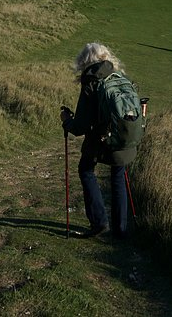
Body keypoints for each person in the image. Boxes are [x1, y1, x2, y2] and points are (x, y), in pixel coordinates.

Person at [60, 43, 135, 239]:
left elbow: (80, 127)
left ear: (84, 61)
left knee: (86, 169)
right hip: (123, 135)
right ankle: (121, 230)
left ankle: (99, 222)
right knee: (118, 175)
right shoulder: (119, 76)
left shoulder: (91, 83)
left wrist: (67, 121)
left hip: (101, 139)